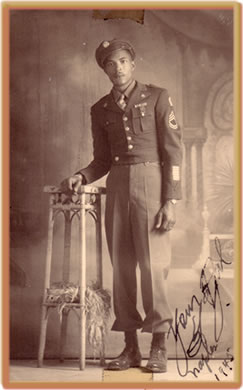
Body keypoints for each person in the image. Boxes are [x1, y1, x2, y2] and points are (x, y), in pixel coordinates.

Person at [61, 39, 183, 373]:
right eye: (111, 64)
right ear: (104, 69)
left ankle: (159, 346)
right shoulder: (100, 109)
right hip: (117, 188)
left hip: (152, 187)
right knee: (123, 270)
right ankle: (130, 348)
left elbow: (174, 153)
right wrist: (81, 176)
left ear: (134, 63)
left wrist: (170, 201)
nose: (118, 69)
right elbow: (101, 160)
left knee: (153, 268)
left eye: (124, 61)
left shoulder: (158, 97)